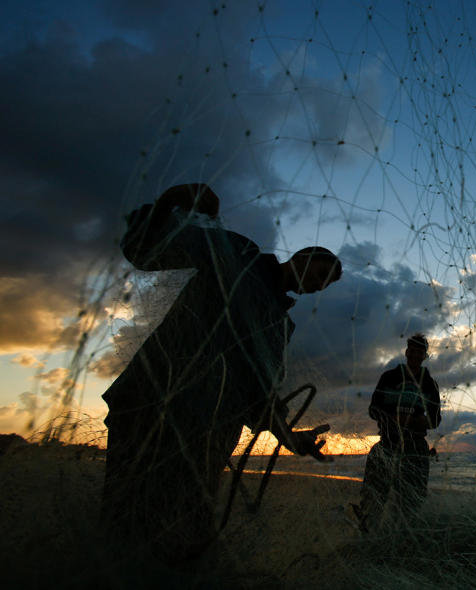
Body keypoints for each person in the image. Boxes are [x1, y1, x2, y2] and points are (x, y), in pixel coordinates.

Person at [101, 183, 342, 561]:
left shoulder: (280, 327)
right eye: (318, 275)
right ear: (302, 256)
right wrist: (172, 200)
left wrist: (292, 440)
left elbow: (259, 397)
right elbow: (148, 250)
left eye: (323, 286)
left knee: (186, 538)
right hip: (150, 406)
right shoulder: (239, 253)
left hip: (206, 437)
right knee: (123, 522)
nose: (316, 287)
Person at [352, 334, 441, 532]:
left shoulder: (430, 384)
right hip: (388, 442)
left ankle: (403, 534)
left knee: (412, 498)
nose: (416, 354)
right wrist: (392, 418)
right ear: (407, 352)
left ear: (425, 355)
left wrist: (419, 421)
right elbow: (373, 409)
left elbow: (436, 420)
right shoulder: (389, 377)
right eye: (413, 350)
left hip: (415, 445)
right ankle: (367, 530)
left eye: (420, 351)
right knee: (374, 494)